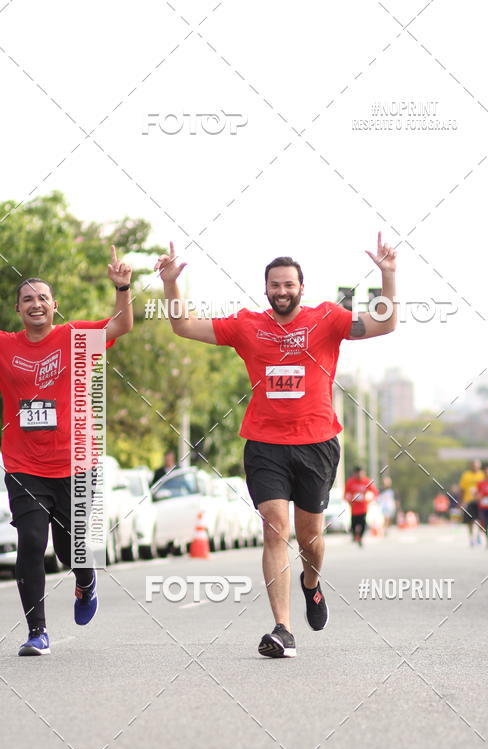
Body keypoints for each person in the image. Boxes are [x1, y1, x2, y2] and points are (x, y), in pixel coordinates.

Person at [157, 233, 397, 658]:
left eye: (289, 285)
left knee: (310, 538)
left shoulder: (328, 319)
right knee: (274, 528)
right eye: (275, 285)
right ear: (265, 288)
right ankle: (283, 629)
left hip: (317, 443)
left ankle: (311, 581)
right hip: (265, 444)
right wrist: (171, 283)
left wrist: (388, 277)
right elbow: (182, 325)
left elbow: (385, 323)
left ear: (301, 288)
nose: (282, 291)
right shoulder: (247, 325)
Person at [0, 248, 133, 655]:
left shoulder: (75, 337)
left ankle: (86, 579)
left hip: (76, 462)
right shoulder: (6, 347)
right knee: (30, 541)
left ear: (53, 306)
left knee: (70, 549)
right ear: (18, 309)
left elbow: (122, 324)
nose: (35, 304)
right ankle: (37, 632)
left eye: (42, 298)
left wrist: (122, 286)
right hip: (24, 465)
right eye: (27, 299)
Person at [344, 466, 379, 545]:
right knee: (353, 524)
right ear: (354, 474)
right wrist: (349, 501)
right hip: (354, 508)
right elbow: (345, 494)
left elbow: (375, 492)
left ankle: (360, 538)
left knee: (363, 524)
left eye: (361, 473)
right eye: (357, 473)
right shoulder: (350, 482)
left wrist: (370, 500)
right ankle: (354, 536)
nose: (359, 475)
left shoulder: (366, 481)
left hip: (363, 507)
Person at [458, 459, 484, 546]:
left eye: (477, 465)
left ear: (479, 466)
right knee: (470, 521)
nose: (475, 467)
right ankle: (471, 538)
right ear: (471, 466)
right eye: (473, 465)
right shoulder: (466, 475)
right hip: (468, 501)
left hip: (480, 501)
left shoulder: (482, 475)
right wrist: (460, 501)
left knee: (481, 520)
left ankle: (478, 536)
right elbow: (462, 489)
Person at [476, 466, 488, 546]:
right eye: (486, 473)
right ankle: (487, 540)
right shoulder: (480, 483)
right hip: (483, 507)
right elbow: (477, 495)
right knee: (485, 524)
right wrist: (481, 495)